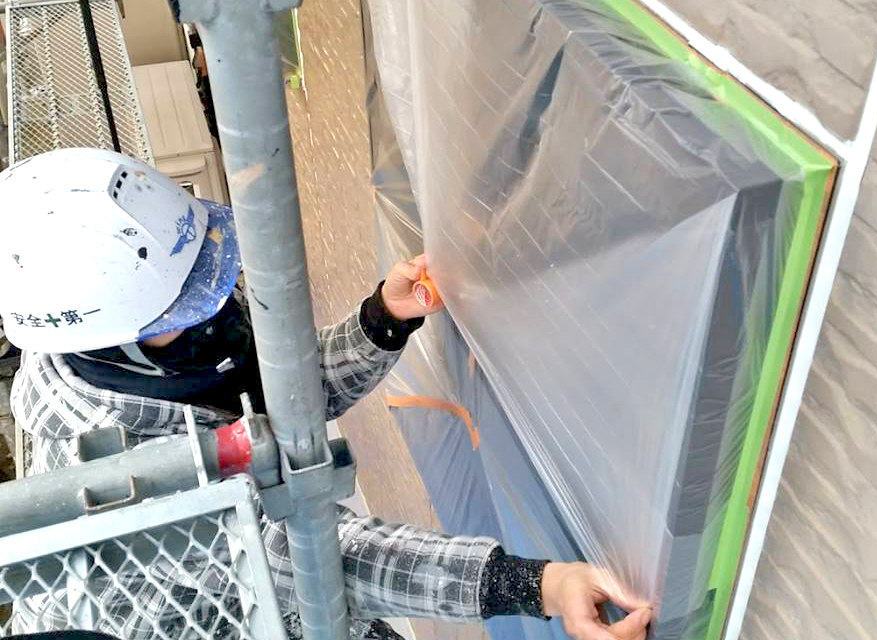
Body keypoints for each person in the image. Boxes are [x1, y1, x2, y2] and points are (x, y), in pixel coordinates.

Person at [0, 149, 651, 640]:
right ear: (112, 341)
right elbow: (317, 556)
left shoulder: (153, 342)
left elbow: (290, 394)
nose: (213, 308)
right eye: (185, 306)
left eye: (205, 274)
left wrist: (383, 319)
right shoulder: (117, 472)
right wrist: (539, 585)